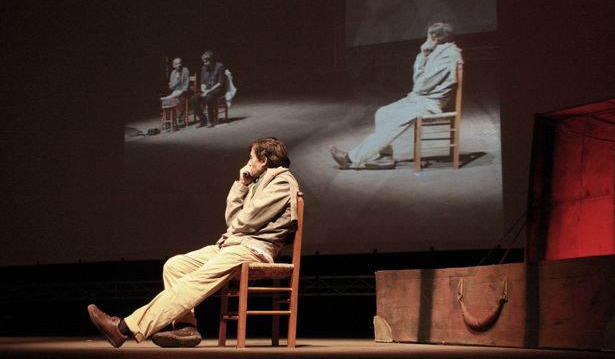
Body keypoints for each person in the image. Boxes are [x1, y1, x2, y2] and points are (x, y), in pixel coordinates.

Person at [87, 137, 300, 348]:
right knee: (175, 265)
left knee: (196, 280)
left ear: (263, 160)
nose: (248, 162)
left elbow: (247, 220)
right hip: (234, 245)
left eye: (251, 157)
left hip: (254, 250)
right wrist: (242, 186)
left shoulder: (282, 181)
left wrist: (237, 225)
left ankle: (124, 327)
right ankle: (185, 327)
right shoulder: (256, 183)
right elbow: (234, 220)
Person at [330, 21, 463, 169]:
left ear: (435, 37)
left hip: (428, 103)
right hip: (419, 99)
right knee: (383, 113)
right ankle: (385, 157)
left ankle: (350, 159)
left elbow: (421, 85)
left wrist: (422, 59)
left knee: (392, 125)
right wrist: (424, 55)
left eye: (428, 36)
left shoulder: (448, 55)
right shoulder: (438, 51)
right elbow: (420, 85)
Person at [192, 50, 227, 128]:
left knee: (209, 98)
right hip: (207, 90)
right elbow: (202, 83)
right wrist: (204, 90)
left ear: (212, 60)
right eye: (203, 62)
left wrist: (207, 92)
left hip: (218, 89)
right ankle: (203, 120)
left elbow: (220, 83)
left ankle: (211, 120)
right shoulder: (204, 68)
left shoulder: (220, 66)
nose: (205, 64)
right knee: (194, 99)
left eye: (206, 62)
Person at [160, 57, 190, 123]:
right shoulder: (173, 73)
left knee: (175, 98)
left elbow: (186, 85)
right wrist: (176, 80)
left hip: (184, 92)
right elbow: (171, 87)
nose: (179, 65)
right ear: (173, 65)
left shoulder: (185, 70)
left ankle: (180, 114)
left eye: (180, 63)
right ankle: (168, 120)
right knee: (168, 101)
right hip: (175, 92)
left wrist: (181, 91)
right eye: (176, 64)